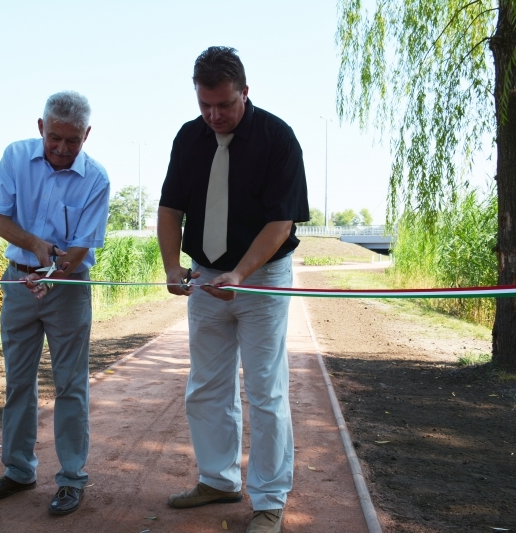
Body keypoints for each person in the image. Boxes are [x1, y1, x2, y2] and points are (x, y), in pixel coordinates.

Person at [157, 47, 309, 533]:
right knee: (205, 386)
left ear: (245, 91)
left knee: (265, 389)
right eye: (205, 106)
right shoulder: (189, 137)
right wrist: (171, 268)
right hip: (204, 276)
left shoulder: (278, 138)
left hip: (262, 277)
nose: (214, 116)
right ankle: (218, 479)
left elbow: (281, 223)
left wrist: (241, 274)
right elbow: (169, 211)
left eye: (224, 105)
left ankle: (268, 501)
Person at [0, 90, 110, 516]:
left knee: (71, 384)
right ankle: (18, 471)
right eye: (55, 138)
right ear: (41, 128)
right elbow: (0, 220)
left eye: (73, 141)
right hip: (19, 283)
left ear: (87, 135)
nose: (62, 149)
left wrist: (56, 269)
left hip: (67, 288)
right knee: (18, 381)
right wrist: (34, 245)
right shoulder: (15, 158)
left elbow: (82, 247)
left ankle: (71, 479)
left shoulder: (98, 179)